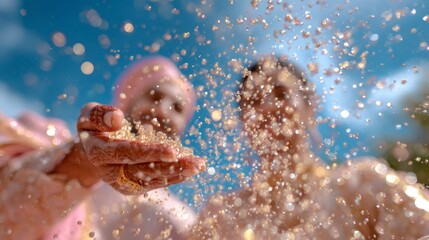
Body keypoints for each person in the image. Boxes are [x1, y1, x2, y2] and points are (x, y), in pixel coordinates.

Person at [190, 55, 429, 239]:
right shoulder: (222, 214)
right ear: (243, 123)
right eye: (253, 101)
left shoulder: (362, 185)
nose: (267, 107)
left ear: (310, 107)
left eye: (281, 93)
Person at [0, 56, 206, 240]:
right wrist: (79, 164)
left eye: (177, 108)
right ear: (128, 100)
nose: (162, 112)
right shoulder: (49, 143)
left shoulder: (175, 218)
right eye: (154, 96)